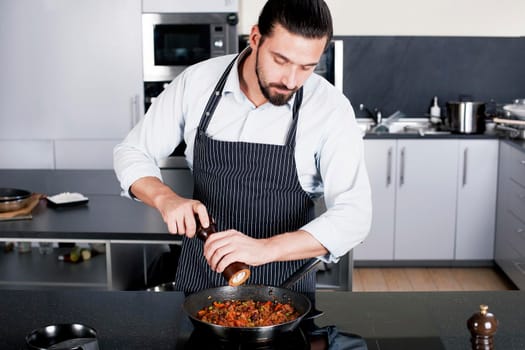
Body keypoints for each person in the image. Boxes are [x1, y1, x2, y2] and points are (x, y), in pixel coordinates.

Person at [114, 0, 371, 298]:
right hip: (201, 284)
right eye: (281, 60)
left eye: (306, 68)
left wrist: (265, 249)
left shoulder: (329, 108)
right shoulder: (197, 83)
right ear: (255, 38)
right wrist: (165, 198)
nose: (291, 80)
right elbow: (131, 151)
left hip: (286, 294)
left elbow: (355, 215)